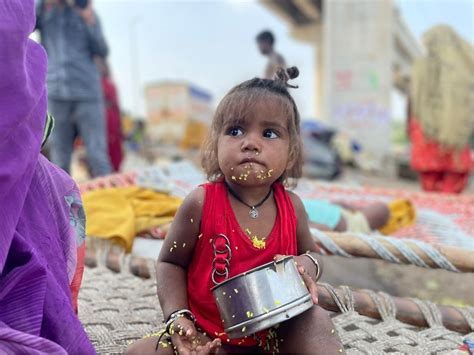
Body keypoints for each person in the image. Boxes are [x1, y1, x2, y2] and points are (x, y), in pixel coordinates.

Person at [126, 67, 343, 354]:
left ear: (291, 153)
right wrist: (178, 317)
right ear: (216, 144)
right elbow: (170, 263)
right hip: (206, 338)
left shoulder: (292, 207)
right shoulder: (200, 203)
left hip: (275, 337)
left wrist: (306, 266)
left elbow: (314, 254)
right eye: (235, 130)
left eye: (269, 133)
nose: (250, 143)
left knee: (315, 320)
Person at [0, 0, 94, 353]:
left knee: (74, 172)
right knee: (58, 173)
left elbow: (98, 50)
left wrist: (85, 16)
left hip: (80, 91)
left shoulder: (81, 15)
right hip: (54, 92)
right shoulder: (46, 16)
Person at [36, 0, 112, 177]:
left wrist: (88, 19)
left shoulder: (84, 10)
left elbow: (102, 49)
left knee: (98, 156)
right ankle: (62, 204)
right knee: (59, 160)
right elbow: (24, 24)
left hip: (87, 92)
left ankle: (109, 200)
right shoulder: (45, 12)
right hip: (56, 93)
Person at [409, 25, 474, 194]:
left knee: (432, 190)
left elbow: (413, 102)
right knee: (451, 191)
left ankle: (436, 214)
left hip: (428, 138)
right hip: (453, 143)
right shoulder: (466, 70)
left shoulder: (421, 67)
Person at [97, 57, 124, 172]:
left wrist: (120, 126)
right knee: (100, 148)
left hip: (111, 119)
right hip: (98, 117)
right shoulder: (92, 83)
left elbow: (116, 106)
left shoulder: (110, 85)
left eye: (102, 65)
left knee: (114, 148)